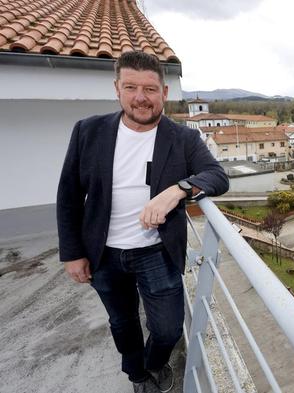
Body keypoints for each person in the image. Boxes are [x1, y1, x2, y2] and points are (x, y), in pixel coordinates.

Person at [56, 51, 229, 393]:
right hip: (103, 253)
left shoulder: (183, 139)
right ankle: (136, 375)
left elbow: (217, 176)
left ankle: (153, 363)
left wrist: (178, 190)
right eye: (131, 87)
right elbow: (69, 196)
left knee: (166, 329)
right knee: (122, 322)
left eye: (150, 89)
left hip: (156, 251)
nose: (141, 97)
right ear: (117, 88)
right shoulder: (88, 131)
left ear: (164, 93)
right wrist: (72, 253)